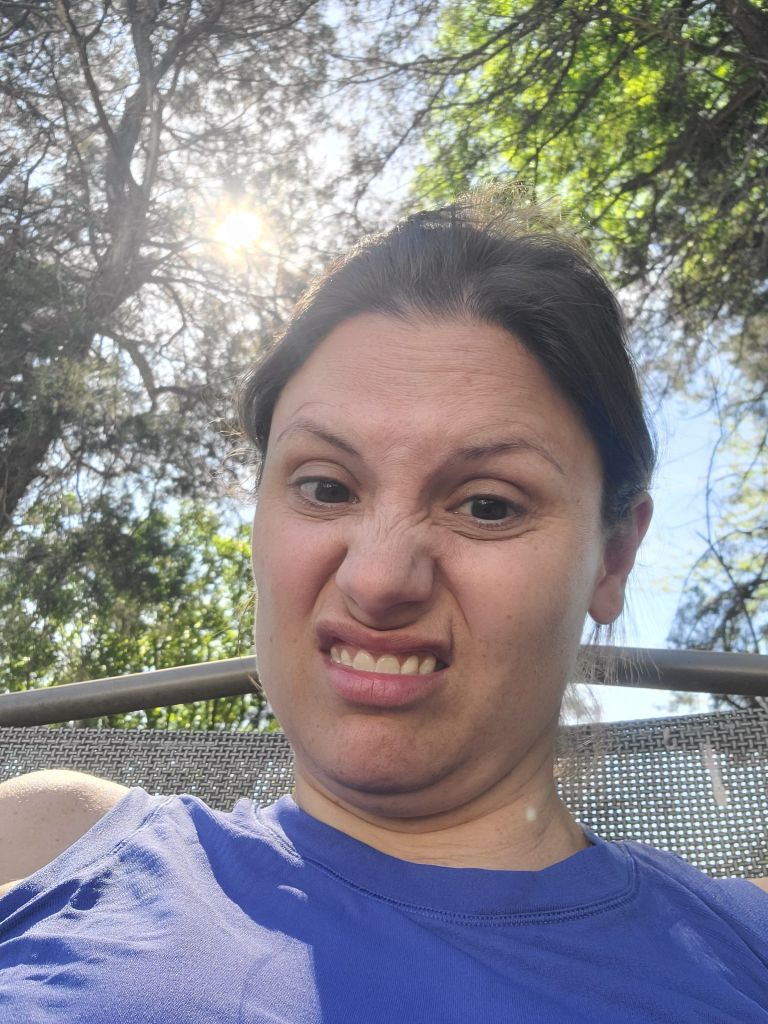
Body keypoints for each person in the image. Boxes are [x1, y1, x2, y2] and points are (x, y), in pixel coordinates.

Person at [1, 190, 766, 1022]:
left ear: (612, 557)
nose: (377, 578)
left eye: (487, 505)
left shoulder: (745, 944)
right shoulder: (50, 839)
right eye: (326, 487)